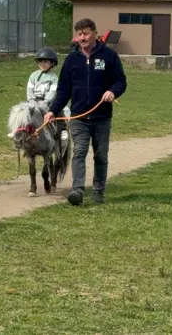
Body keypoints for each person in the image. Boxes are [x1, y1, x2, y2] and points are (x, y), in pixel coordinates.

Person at [45, 18, 127, 206]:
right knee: (79, 151)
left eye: (86, 33)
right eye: (79, 34)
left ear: (95, 34)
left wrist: (113, 92)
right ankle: (77, 190)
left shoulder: (109, 56)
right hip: (79, 117)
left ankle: (98, 191)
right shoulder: (71, 60)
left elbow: (120, 81)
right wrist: (52, 111)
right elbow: (63, 91)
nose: (82, 37)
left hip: (102, 117)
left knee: (101, 155)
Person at [26, 47, 69, 150]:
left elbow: (52, 92)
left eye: (45, 62)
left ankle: (62, 130)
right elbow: (29, 90)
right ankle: (21, 132)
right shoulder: (33, 75)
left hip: (48, 103)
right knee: (23, 113)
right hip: (34, 102)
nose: (42, 64)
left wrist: (45, 102)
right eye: (40, 61)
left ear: (52, 63)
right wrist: (31, 101)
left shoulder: (53, 77)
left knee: (60, 111)